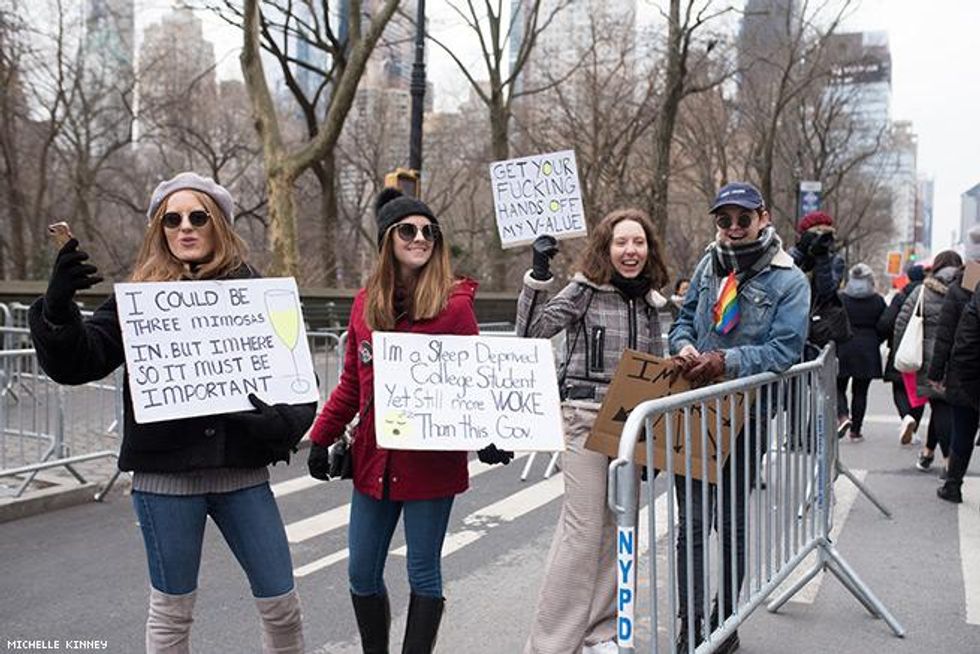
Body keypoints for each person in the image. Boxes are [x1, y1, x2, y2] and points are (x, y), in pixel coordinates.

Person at [28, 172, 314, 654]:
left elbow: (297, 382)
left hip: (242, 476)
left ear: (218, 224)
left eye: (197, 217)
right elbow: (82, 361)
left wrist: (283, 424)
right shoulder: (138, 299)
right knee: (171, 615)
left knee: (283, 605)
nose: (185, 227)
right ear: (159, 230)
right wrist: (57, 311)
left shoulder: (258, 294)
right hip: (165, 483)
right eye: (171, 219)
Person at [306, 188, 511, 654]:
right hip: (373, 460)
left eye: (428, 231)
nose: (420, 238)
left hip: (430, 465)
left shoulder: (455, 308)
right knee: (361, 572)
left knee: (423, 571)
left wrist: (488, 436)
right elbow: (352, 386)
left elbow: (475, 383)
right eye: (408, 230)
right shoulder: (364, 305)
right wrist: (322, 437)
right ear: (387, 240)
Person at [517, 209, 669, 654]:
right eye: (621, 242)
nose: (630, 251)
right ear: (607, 248)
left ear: (648, 249)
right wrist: (538, 275)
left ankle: (600, 632)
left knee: (619, 527)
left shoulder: (651, 303)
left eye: (638, 243)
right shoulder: (584, 290)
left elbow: (658, 373)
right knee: (582, 532)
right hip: (583, 418)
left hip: (631, 428)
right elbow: (531, 332)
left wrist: (652, 443)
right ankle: (550, 645)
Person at [669, 181, 810, 653]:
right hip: (694, 411)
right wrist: (683, 346)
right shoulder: (709, 264)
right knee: (689, 525)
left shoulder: (790, 280)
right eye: (723, 220)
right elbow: (683, 320)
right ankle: (691, 627)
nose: (732, 228)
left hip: (747, 416)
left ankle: (725, 620)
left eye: (741, 219)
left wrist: (726, 362)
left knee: (728, 524)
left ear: (763, 218)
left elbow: (785, 350)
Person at [894, 250, 963, 473]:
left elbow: (901, 323)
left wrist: (898, 352)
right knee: (942, 405)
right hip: (959, 356)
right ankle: (928, 452)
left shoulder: (923, 290)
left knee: (939, 404)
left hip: (929, 359)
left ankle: (948, 461)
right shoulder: (969, 287)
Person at [929, 227, 980, 501]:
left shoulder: (960, 286)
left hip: (964, 370)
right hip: (967, 368)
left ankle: (953, 483)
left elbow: (945, 335)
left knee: (963, 429)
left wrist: (936, 372)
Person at [788, 210, 848, 432]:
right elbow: (783, 281)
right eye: (815, 234)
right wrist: (803, 252)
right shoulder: (792, 257)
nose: (821, 239)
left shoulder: (835, 261)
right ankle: (794, 433)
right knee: (794, 385)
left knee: (822, 385)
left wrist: (822, 258)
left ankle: (816, 434)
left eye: (826, 234)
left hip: (821, 330)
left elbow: (826, 291)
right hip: (793, 328)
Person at [836, 264, 886, 442]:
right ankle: (856, 430)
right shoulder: (877, 301)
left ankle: (842, 416)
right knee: (861, 392)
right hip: (868, 349)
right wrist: (875, 339)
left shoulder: (841, 298)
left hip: (843, 346)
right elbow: (885, 324)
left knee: (838, 386)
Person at [877, 263, 927, 444]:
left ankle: (906, 417)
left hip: (901, 349)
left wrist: (882, 338)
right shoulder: (930, 295)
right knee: (919, 390)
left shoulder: (901, 297)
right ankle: (914, 424)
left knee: (899, 387)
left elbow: (887, 322)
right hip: (923, 350)